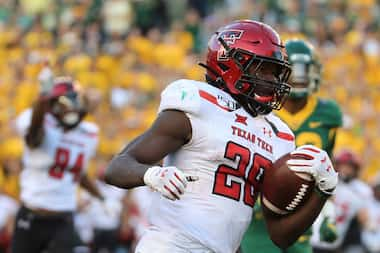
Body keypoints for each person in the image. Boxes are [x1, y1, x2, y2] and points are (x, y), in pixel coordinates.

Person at [105, 20, 339, 253]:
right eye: (263, 70)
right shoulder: (199, 105)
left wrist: (322, 192)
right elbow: (116, 168)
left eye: (276, 73)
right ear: (231, 64)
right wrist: (152, 175)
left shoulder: (278, 135)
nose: (273, 81)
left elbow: (280, 236)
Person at [241, 38, 343, 253]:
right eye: (294, 69)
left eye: (304, 69)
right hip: (256, 219)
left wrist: (327, 211)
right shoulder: (258, 109)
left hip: (300, 217)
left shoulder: (328, 113)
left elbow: (327, 169)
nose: (300, 75)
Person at [11, 77, 102, 253]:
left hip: (63, 219)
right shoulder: (39, 122)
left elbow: (77, 172)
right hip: (32, 216)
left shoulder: (89, 133)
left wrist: (100, 197)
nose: (68, 106)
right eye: (61, 101)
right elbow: (33, 138)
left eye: (71, 99)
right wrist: (41, 99)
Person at [312, 150, 371, 253]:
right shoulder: (328, 181)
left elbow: (364, 219)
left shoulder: (361, 190)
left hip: (335, 240)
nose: (345, 169)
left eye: (349, 166)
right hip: (313, 237)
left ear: (355, 169)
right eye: (342, 165)